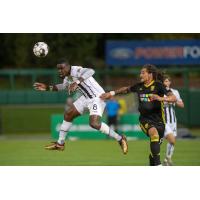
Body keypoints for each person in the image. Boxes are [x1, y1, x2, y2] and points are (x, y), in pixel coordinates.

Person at [33, 58, 128, 154]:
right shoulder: (67, 78)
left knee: (94, 123)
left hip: (97, 97)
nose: (60, 71)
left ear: (68, 67)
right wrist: (47, 87)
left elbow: (91, 71)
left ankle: (120, 138)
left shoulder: (76, 70)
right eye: (58, 69)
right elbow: (62, 86)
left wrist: (77, 82)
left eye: (61, 68)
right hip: (86, 98)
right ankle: (60, 143)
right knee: (68, 114)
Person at [100, 64, 177, 166]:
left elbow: (173, 98)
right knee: (154, 134)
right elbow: (126, 89)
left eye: (143, 72)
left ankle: (153, 164)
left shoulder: (159, 86)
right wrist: (112, 93)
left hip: (160, 122)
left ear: (150, 74)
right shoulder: (139, 86)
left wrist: (161, 98)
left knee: (154, 151)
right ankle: (159, 165)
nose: (140, 75)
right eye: (141, 72)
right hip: (145, 120)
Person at [162, 75, 184, 166]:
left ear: (170, 82)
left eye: (168, 81)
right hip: (163, 120)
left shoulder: (175, 92)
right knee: (170, 140)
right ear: (162, 83)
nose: (167, 83)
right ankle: (156, 160)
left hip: (173, 120)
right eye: (165, 81)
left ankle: (167, 159)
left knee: (173, 141)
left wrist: (173, 100)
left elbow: (182, 105)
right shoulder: (160, 92)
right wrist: (165, 100)